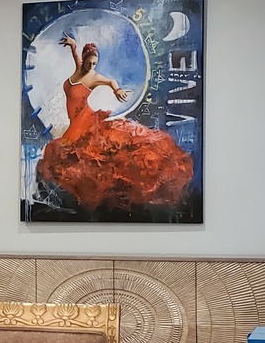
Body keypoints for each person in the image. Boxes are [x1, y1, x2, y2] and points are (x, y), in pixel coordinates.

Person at [36, 35, 192, 212]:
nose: (91, 67)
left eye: (94, 64)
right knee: (70, 153)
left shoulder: (94, 77)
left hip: (83, 118)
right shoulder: (79, 69)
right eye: (89, 63)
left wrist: (116, 90)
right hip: (75, 118)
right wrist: (73, 45)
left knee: (68, 153)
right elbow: (76, 55)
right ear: (84, 59)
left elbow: (110, 81)